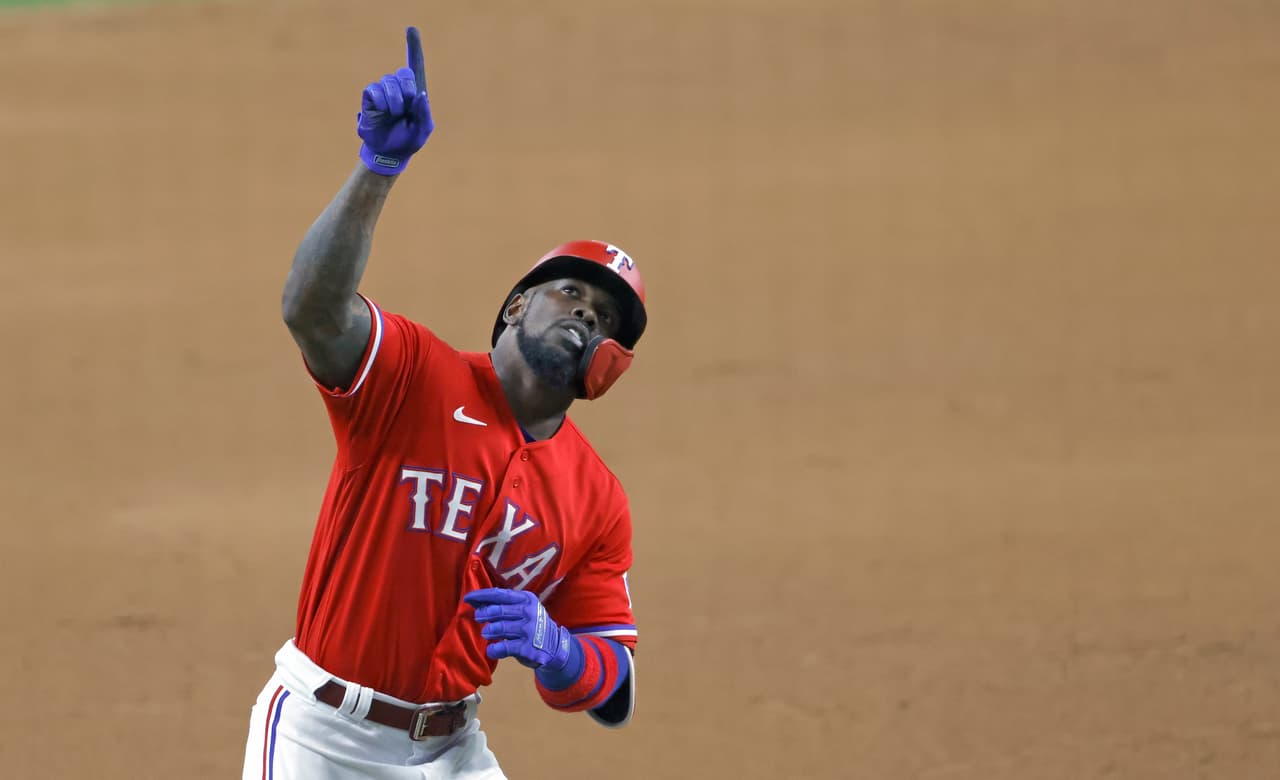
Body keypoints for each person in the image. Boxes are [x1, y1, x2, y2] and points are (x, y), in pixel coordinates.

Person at [241, 25, 646, 780]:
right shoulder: (412, 376)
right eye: (571, 293)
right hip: (324, 736)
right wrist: (377, 169)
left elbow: (614, 687)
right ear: (517, 304)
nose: (588, 313)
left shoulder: (596, 500)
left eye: (608, 318)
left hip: (453, 752)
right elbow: (313, 311)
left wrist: (559, 652)